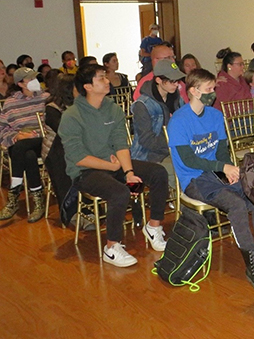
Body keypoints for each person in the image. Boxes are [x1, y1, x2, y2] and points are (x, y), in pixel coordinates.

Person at [167, 68, 254, 290]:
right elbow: (188, 160)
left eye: (213, 88)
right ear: (194, 91)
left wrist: (228, 170)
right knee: (236, 205)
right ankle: (251, 264)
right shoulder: (179, 120)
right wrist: (221, 167)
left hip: (215, 173)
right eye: (209, 89)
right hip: (194, 179)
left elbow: (222, 151)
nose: (213, 93)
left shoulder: (215, 115)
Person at [58, 64, 168, 267]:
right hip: (85, 171)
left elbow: (120, 144)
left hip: (114, 164)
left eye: (105, 77)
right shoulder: (72, 116)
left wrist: (129, 172)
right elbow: (78, 157)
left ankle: (153, 226)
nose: (107, 81)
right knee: (119, 193)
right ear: (87, 86)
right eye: (101, 78)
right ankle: (111, 247)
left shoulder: (112, 109)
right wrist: (113, 168)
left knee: (158, 172)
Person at [0, 67, 48, 222]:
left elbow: (53, 123)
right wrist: (17, 136)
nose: (35, 82)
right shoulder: (10, 103)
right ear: (20, 83)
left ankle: (13, 196)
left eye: (35, 78)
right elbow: (2, 129)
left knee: (22, 148)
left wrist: (34, 134)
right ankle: (38, 199)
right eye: (30, 79)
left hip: (41, 140)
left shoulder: (45, 98)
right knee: (27, 155)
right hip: (20, 142)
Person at [131, 59, 185, 187]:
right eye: (172, 81)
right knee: (181, 167)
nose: (176, 84)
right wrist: (174, 141)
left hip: (173, 150)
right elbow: (147, 141)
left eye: (177, 80)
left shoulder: (177, 99)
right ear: (158, 80)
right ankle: (183, 202)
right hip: (148, 156)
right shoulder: (142, 105)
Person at [42, 74, 75, 210]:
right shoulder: (52, 108)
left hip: (72, 147)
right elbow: (64, 132)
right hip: (54, 151)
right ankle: (70, 211)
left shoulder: (79, 103)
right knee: (65, 160)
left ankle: (88, 207)